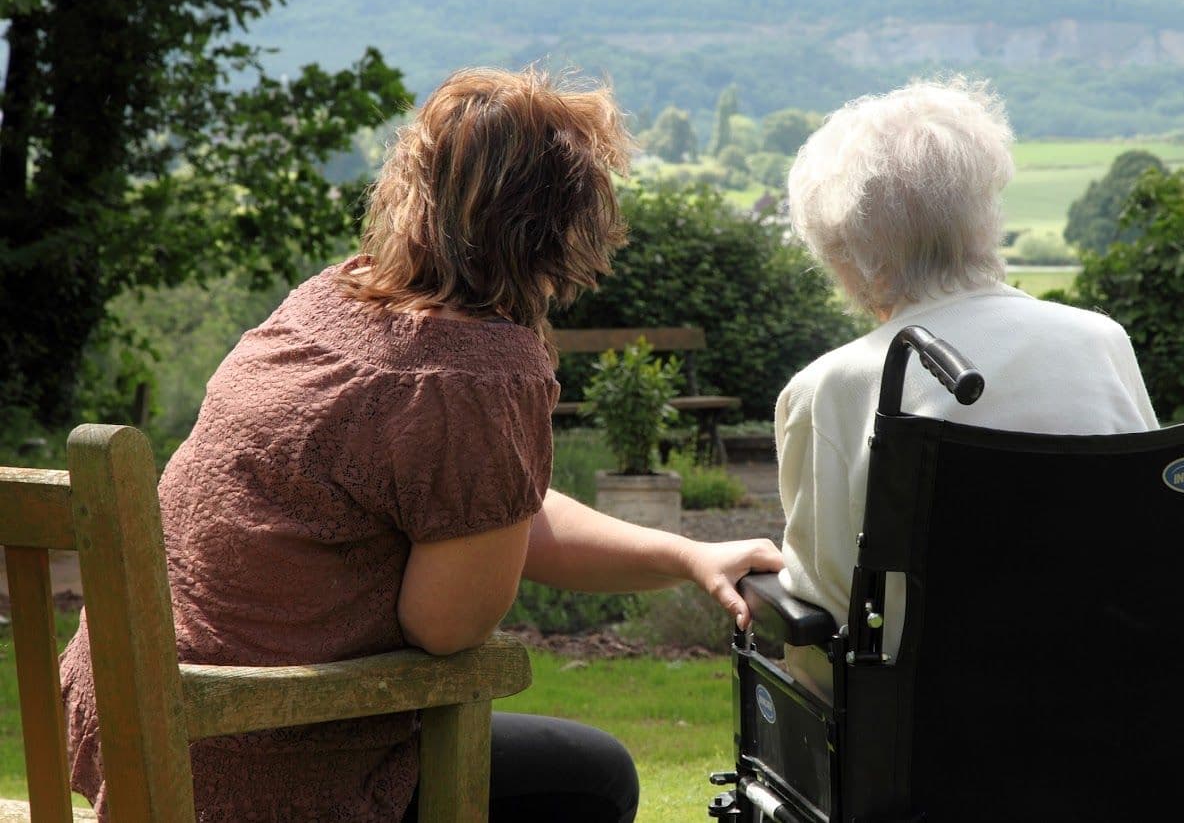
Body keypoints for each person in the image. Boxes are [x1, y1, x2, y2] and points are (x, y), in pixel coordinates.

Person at [59, 67, 782, 822]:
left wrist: (687, 555)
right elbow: (445, 626)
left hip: (136, 724)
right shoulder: (477, 370)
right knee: (595, 777)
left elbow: (487, 517)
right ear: (554, 223)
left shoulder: (329, 301)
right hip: (255, 765)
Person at [773, 78, 1158, 699]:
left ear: (842, 249)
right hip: (1110, 715)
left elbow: (825, 608)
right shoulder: (1101, 342)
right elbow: (1146, 533)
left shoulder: (828, 389)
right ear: (984, 214)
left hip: (919, 751)